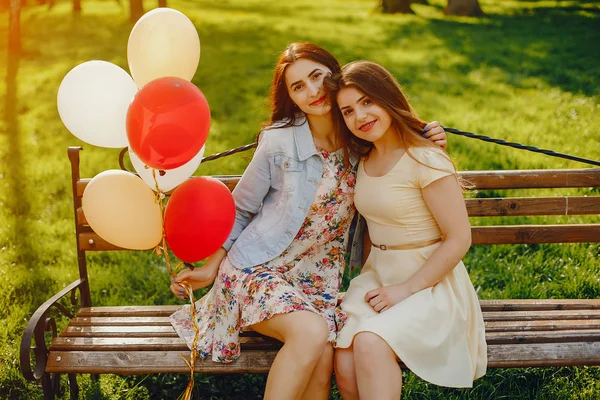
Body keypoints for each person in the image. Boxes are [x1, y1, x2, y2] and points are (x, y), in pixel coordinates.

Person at [168, 43, 447, 400]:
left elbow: (401, 153)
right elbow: (240, 209)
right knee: (313, 332)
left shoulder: (361, 137)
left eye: (317, 76)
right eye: (298, 86)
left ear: (335, 73)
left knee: (322, 354)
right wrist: (210, 269)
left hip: (315, 281)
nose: (312, 91)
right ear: (292, 98)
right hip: (255, 270)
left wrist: (428, 136)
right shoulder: (278, 142)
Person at [325, 60, 487, 400]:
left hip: (430, 286)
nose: (360, 116)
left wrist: (406, 289)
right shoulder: (364, 161)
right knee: (344, 350)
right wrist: (362, 286)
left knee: (370, 341)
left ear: (387, 98)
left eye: (368, 101)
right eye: (348, 111)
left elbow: (459, 238)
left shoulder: (425, 158)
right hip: (378, 279)